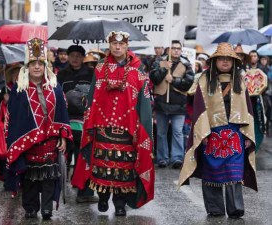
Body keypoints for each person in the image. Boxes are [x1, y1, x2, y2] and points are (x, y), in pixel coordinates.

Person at [72, 31, 154, 216]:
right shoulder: (100, 68)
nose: (117, 47)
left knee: (124, 167)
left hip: (127, 128)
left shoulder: (138, 69)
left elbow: (143, 100)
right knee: (102, 164)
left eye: (121, 44)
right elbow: (93, 96)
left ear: (126, 46)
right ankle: (102, 197)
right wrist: (89, 120)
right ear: (109, 46)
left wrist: (143, 126)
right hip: (102, 126)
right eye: (114, 44)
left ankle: (119, 204)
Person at [179, 43, 257, 218]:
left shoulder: (240, 81)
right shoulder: (204, 81)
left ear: (233, 62)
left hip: (235, 133)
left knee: (234, 170)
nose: (225, 62)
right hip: (211, 132)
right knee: (212, 171)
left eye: (228, 59)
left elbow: (248, 109)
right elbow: (198, 108)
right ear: (214, 61)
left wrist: (248, 134)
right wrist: (202, 133)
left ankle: (235, 208)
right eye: (221, 58)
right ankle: (215, 208)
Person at [5, 38, 72, 220]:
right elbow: (14, 119)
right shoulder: (19, 91)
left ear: (45, 66)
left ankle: (47, 208)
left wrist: (63, 137)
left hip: (50, 141)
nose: (36, 67)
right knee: (30, 178)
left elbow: (62, 114)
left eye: (40, 64)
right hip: (28, 144)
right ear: (27, 66)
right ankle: (30, 207)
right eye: (33, 64)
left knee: (50, 176)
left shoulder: (55, 88)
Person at [57, 45, 97, 204]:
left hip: (86, 120)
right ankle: (60, 186)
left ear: (83, 57)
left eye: (78, 55)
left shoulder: (91, 74)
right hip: (66, 120)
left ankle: (85, 192)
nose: (74, 58)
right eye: (71, 55)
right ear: (67, 57)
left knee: (86, 155)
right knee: (64, 154)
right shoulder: (61, 75)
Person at [149, 40, 194, 168]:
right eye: (173, 48)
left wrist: (173, 80)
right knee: (161, 133)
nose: (176, 51)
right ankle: (162, 158)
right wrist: (164, 69)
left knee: (177, 132)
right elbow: (154, 78)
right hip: (162, 103)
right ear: (169, 49)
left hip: (178, 104)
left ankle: (177, 158)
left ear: (181, 50)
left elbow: (188, 83)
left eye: (178, 48)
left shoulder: (186, 63)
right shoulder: (159, 62)